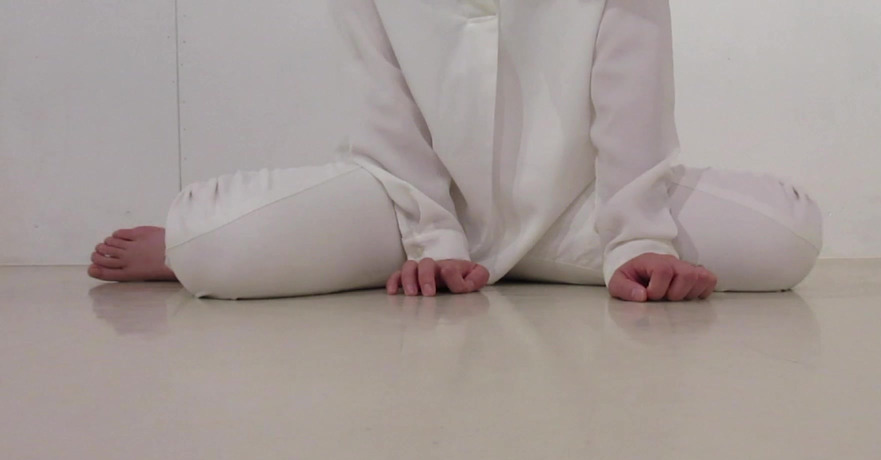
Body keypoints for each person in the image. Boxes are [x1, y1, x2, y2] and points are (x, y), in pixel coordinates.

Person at [87, 0, 822, 302]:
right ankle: (187, 249)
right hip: (404, 210)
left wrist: (638, 238)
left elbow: (635, 103)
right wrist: (432, 240)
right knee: (208, 240)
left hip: (582, 211)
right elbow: (385, 111)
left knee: (788, 236)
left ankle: (566, 258)